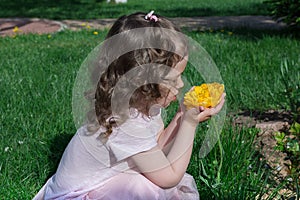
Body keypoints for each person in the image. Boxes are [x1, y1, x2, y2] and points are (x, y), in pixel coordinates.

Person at [33, 11, 225, 200]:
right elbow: (170, 178)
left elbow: (156, 148)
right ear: (144, 84)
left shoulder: (142, 105)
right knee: (143, 189)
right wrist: (189, 125)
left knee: (145, 183)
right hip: (78, 194)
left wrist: (181, 116)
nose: (181, 85)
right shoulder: (125, 124)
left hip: (103, 183)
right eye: (173, 79)